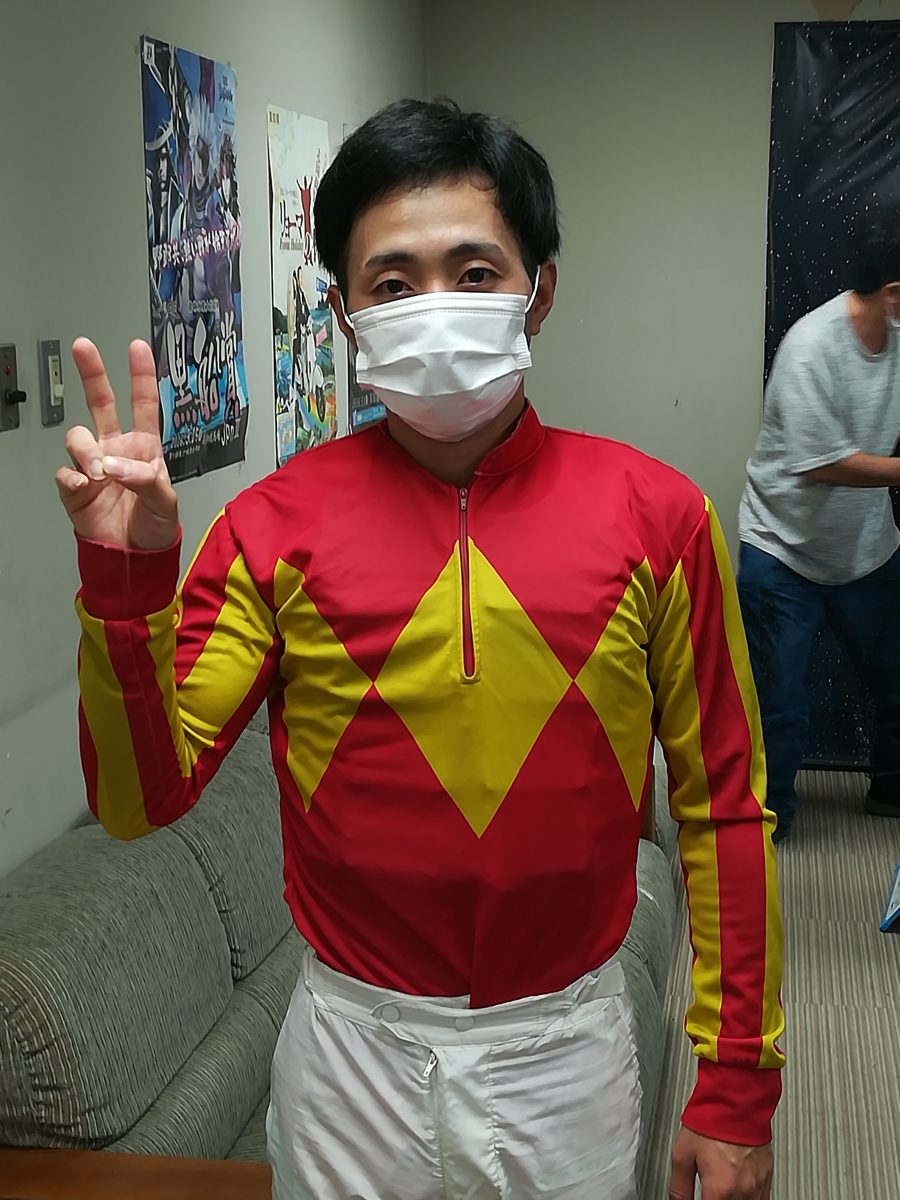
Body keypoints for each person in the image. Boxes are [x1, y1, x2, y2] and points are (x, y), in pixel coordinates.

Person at [58, 99, 783, 1200]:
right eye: (392, 283)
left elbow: (723, 808)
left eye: (475, 271)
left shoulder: (661, 518)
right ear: (343, 313)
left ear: (540, 288)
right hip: (349, 1059)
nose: (435, 306)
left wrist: (736, 1089)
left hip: (568, 1056)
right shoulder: (267, 528)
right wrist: (125, 587)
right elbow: (136, 799)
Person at [739, 217, 900, 844]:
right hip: (783, 548)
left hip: (867, 549)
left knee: (896, 677)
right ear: (893, 292)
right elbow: (822, 463)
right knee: (780, 700)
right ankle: (770, 819)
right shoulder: (811, 346)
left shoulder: (897, 336)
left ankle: (891, 789)